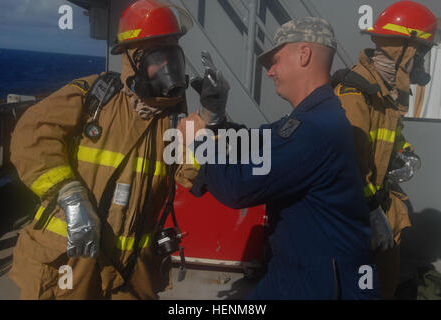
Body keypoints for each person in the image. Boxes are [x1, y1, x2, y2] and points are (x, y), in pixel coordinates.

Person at [178, 17, 381, 299]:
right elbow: (254, 142)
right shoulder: (313, 117)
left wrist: (198, 140)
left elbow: (238, 187)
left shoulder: (315, 129)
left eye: (275, 60)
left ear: (304, 54)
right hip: (302, 270)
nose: (271, 71)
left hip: (324, 283)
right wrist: (215, 117)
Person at [9, 0, 198, 300]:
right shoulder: (94, 98)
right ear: (135, 61)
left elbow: (192, 177)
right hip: (70, 261)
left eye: (173, 58)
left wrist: (213, 121)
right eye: (158, 58)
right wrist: (69, 194)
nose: (168, 69)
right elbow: (30, 136)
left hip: (131, 273)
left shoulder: (176, 121)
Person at [332, 0, 437, 299]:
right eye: (420, 53)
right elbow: (346, 169)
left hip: (376, 209)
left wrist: (405, 152)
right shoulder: (355, 96)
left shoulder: (386, 93)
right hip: (354, 218)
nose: (421, 62)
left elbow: (391, 134)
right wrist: (371, 212)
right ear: (402, 51)